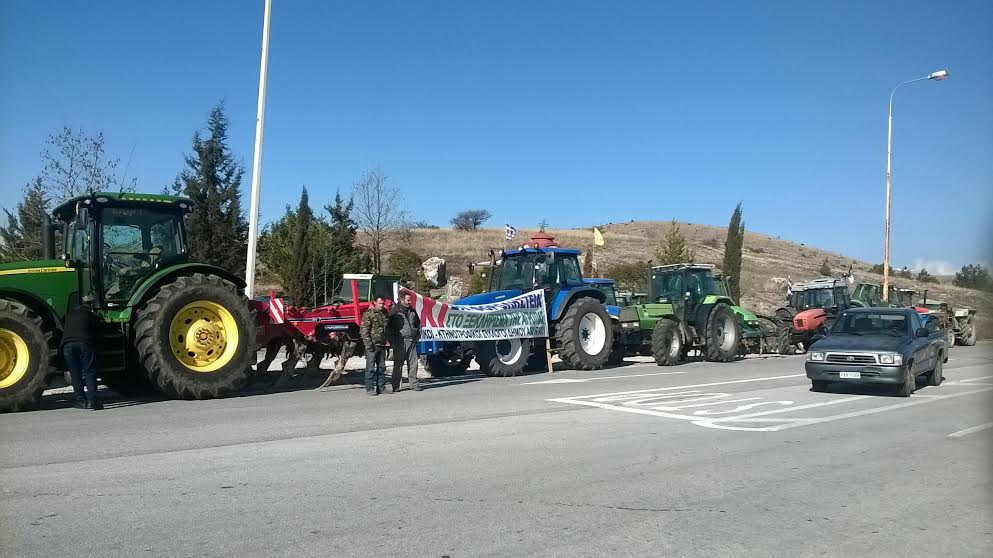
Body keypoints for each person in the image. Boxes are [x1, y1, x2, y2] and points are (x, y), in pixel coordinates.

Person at [62, 295, 102, 410]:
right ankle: (92, 401)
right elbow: (96, 329)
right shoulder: (89, 314)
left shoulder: (69, 315)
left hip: (67, 346)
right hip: (84, 344)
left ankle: (81, 401)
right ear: (90, 305)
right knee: (89, 371)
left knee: (75, 374)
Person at [390, 292, 422, 392]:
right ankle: (396, 385)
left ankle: (414, 384)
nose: (410, 301)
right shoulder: (394, 311)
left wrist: (417, 334)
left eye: (410, 299)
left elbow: (418, 324)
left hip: (411, 341)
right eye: (408, 300)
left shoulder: (412, 311)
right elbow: (389, 327)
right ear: (402, 299)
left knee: (413, 364)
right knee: (398, 364)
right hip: (399, 341)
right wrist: (392, 340)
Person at [359, 296, 389, 395]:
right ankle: (370, 388)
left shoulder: (384, 313)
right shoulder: (368, 314)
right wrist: (369, 345)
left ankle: (381, 387)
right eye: (380, 303)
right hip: (372, 345)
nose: (382, 305)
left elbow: (386, 328)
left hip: (382, 344)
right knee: (370, 368)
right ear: (375, 303)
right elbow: (364, 331)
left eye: (383, 303)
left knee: (382, 367)